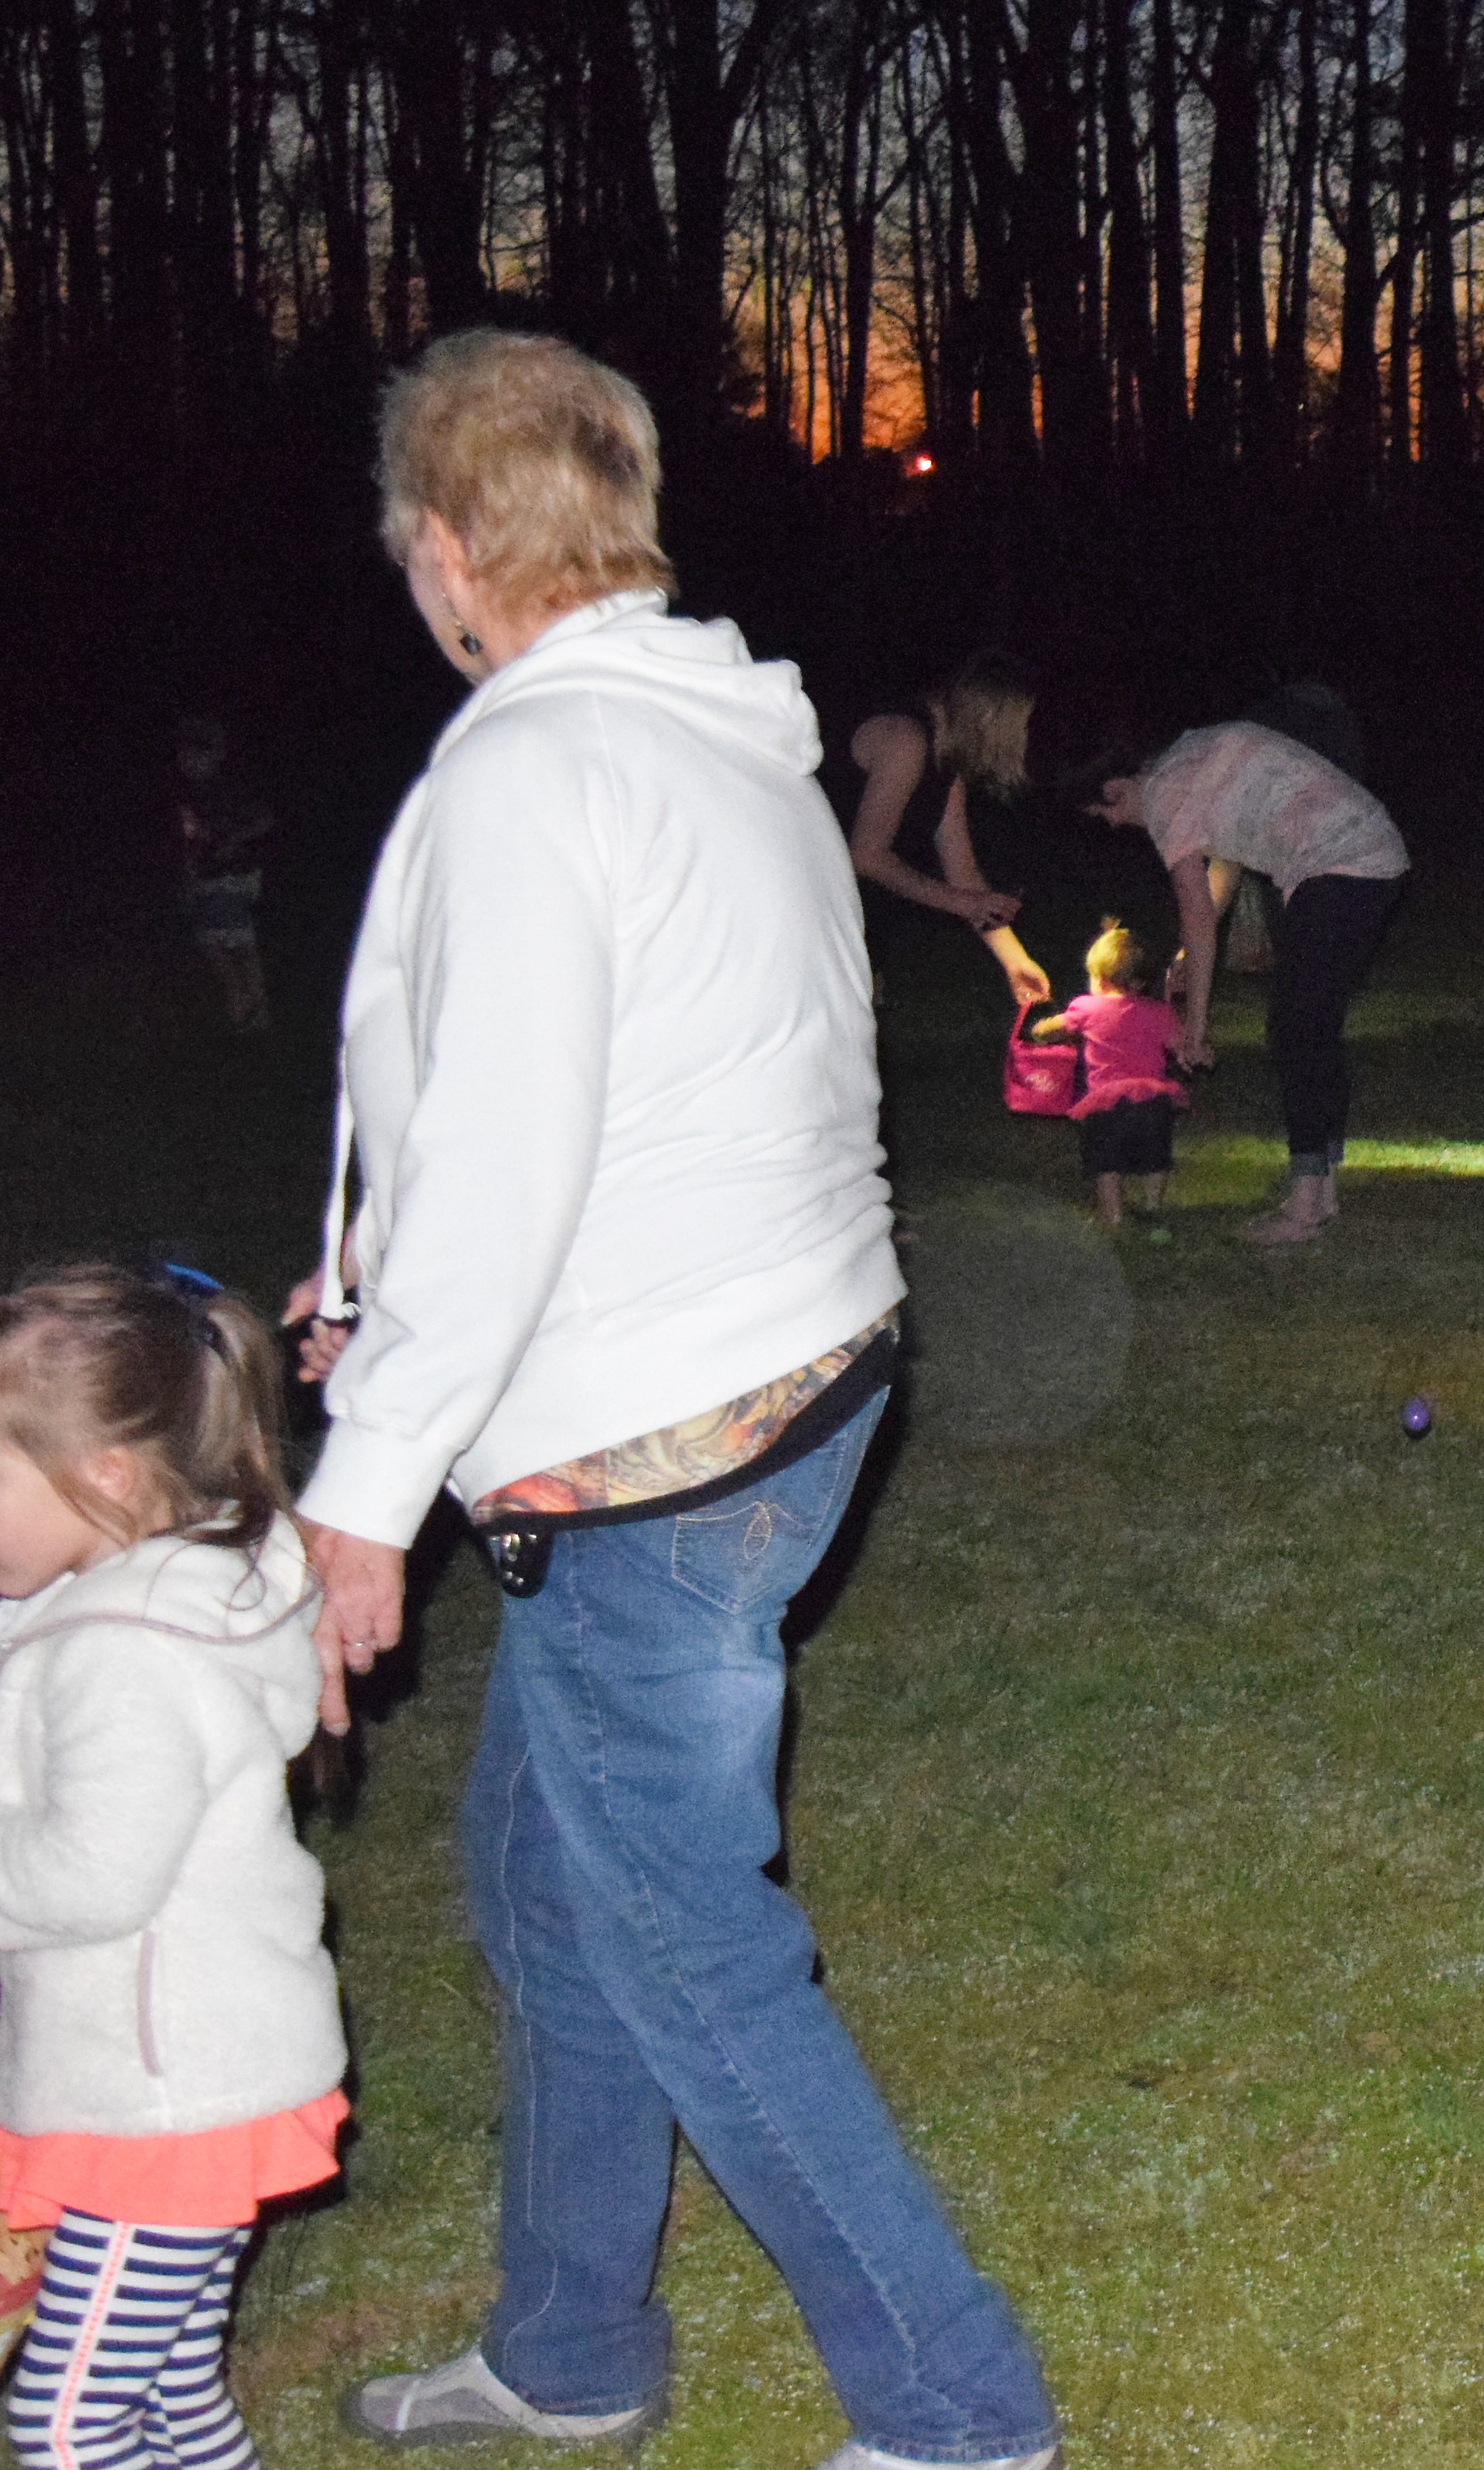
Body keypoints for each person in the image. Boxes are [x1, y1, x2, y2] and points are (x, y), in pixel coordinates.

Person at [294, 328, 1059, 2469]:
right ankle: (572, 2348)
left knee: (685, 1939)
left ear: (451, 546)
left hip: (663, 1446)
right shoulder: (716, 739)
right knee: (551, 1885)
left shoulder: (540, 768)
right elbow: (660, 1089)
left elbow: (514, 1148)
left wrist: (368, 1483)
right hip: (787, 1383)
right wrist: (385, 1293)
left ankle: (958, 2414)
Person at [0, 1264, 350, 2470]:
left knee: (66, 2427)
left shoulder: (125, 1654)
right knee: (171, 2400)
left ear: (103, 1476)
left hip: (163, 2097)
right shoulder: (156, 1592)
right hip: (187, 2076)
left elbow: (93, 1875)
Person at [1092, 717, 1411, 1245]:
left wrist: (1195, 1025)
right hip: (1369, 853)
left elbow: (1195, 911)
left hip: (1341, 862)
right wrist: (1185, 955)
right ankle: (1321, 1192)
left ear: (1113, 787)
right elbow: (1227, 862)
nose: (1111, 823)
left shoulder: (1165, 798)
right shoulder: (1186, 762)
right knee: (1312, 1029)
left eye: (1104, 812)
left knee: (1295, 1031)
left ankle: (1304, 1206)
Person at [841, 653, 1049, 1011]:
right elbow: (865, 856)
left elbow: (963, 873)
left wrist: (1015, 961)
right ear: (989, 715)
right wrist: (960, 903)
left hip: (855, 912)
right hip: (805, 895)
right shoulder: (905, 739)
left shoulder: (946, 765)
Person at [1033, 918, 1187, 1228]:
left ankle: (1112, 1214)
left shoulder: (1086, 1007)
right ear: (1140, 982)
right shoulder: (1160, 1012)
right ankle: (1153, 1205)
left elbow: (1052, 1029)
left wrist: (1040, 1028)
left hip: (1106, 1102)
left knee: (1105, 1160)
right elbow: (1180, 1045)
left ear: (1100, 979)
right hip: (1153, 1098)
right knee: (1156, 1154)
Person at [171, 713, 273, 1034]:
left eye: (197, 755)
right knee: (216, 942)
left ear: (215, 754)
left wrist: (233, 840)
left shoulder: (230, 788)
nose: (189, 763)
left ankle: (248, 1012)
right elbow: (190, 841)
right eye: (184, 756)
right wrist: (189, 877)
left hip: (232, 876)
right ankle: (248, 1010)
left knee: (234, 944)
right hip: (208, 877)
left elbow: (264, 820)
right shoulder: (188, 793)